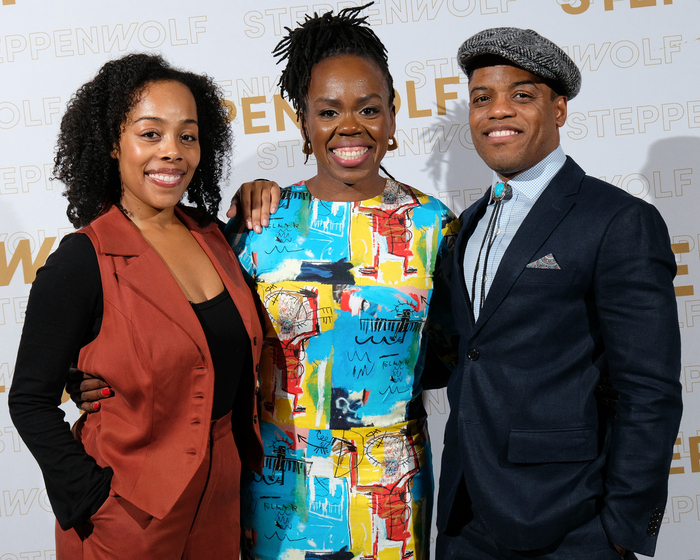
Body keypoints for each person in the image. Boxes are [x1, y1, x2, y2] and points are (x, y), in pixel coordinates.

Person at [435, 28, 683, 559]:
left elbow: (650, 390)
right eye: (482, 99)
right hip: (464, 518)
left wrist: (620, 529)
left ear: (560, 110)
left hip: (569, 523)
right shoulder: (469, 223)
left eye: (521, 96)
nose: (497, 111)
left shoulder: (618, 220)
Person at [224, 7, 458, 559]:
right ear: (303, 120)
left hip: (390, 493)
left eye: (369, 109)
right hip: (280, 493)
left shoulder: (434, 226)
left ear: (393, 116)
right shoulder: (259, 223)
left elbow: (451, 356)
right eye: (328, 111)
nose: (349, 127)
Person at [8, 53, 263, 559]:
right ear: (111, 143)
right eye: (151, 134)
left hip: (223, 506)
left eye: (187, 136)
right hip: (129, 516)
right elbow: (29, 402)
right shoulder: (83, 259)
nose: (172, 152)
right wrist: (93, 501)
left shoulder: (215, 238)